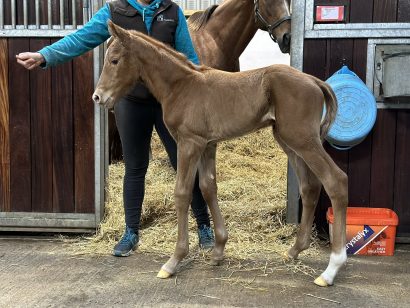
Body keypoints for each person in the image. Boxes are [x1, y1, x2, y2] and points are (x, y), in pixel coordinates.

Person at [16, 0, 215, 256]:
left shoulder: (171, 11)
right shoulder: (115, 11)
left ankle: (203, 226)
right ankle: (131, 232)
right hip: (132, 101)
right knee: (135, 167)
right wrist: (46, 55)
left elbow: (189, 57)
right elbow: (82, 38)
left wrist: (205, 95)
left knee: (185, 163)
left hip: (171, 103)